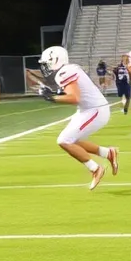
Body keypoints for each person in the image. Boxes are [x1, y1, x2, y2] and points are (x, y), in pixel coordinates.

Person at [37, 45, 119, 190]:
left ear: (55, 60)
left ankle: (95, 169)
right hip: (89, 109)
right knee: (72, 140)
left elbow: (74, 97)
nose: (46, 67)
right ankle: (108, 153)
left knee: (64, 140)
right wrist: (53, 95)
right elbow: (73, 94)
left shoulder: (64, 72)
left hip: (94, 110)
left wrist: (52, 98)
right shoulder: (68, 70)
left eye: (47, 63)